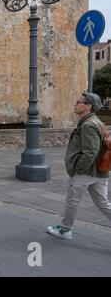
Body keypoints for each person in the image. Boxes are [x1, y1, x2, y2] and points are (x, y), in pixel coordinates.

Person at [47, 92, 111, 240]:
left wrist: (78, 169)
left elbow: (90, 152)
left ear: (88, 106)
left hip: (86, 173)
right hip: (99, 172)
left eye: (78, 102)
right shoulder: (95, 121)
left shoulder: (88, 124)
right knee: (103, 204)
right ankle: (65, 228)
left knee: (72, 202)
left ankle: (65, 230)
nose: (75, 104)